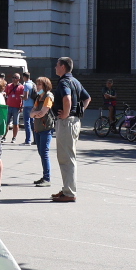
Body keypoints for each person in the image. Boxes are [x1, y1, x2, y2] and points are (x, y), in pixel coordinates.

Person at [53, 56, 86, 203]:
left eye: (57, 65)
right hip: (74, 121)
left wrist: (66, 114)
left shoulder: (64, 82)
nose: (55, 67)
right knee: (66, 157)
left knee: (67, 158)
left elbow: (67, 99)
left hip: (67, 122)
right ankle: (67, 188)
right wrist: (79, 112)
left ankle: (70, 192)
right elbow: (87, 98)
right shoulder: (75, 81)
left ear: (63, 67)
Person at [28, 75, 55, 187]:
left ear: (45, 85)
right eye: (37, 84)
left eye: (39, 84)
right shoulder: (39, 97)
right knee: (41, 152)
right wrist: (35, 114)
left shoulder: (48, 96)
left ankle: (47, 178)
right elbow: (31, 113)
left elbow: (43, 112)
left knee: (44, 153)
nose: (37, 86)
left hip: (46, 128)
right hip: (38, 128)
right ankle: (44, 176)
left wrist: (35, 114)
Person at [4, 73, 26, 146]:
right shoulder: (9, 86)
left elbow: (23, 98)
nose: (13, 79)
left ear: (18, 79)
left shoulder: (21, 87)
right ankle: (4, 136)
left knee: (15, 123)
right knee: (6, 122)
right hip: (8, 106)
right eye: (13, 77)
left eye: (15, 77)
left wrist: (21, 106)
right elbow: (5, 95)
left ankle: (14, 137)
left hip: (16, 107)